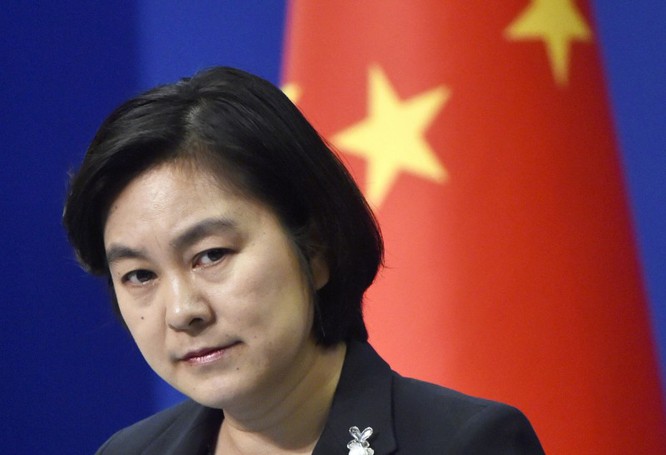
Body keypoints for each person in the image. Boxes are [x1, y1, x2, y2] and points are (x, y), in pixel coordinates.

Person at [63, 66, 544, 454]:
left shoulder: (467, 443)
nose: (182, 311)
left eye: (211, 255)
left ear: (316, 249)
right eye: (139, 275)